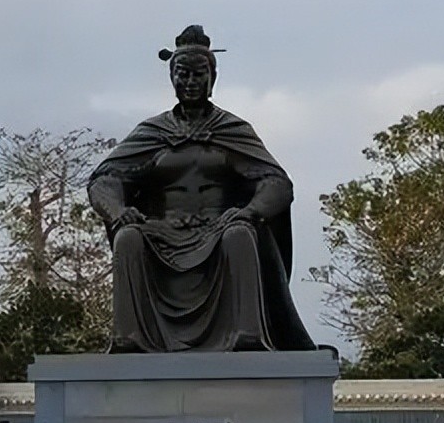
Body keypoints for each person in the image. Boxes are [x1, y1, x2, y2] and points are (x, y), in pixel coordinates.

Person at [87, 25, 316, 353]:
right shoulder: (152, 132)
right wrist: (118, 211)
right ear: (172, 78)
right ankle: (131, 340)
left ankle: (246, 336)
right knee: (128, 238)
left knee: (240, 235)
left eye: (198, 75)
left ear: (213, 78)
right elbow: (104, 179)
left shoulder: (232, 129)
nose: (190, 82)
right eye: (183, 75)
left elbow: (277, 182)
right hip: (162, 232)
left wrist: (249, 212)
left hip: (219, 229)